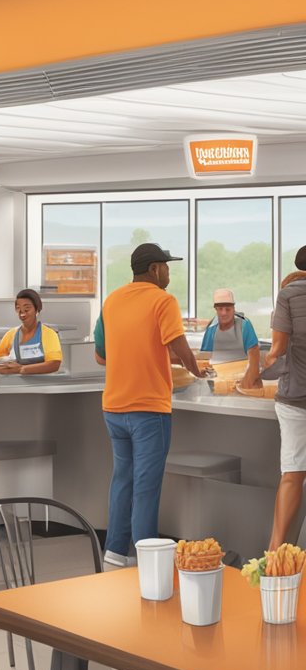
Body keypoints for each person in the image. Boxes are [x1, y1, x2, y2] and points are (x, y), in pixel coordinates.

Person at [93, 243, 212, 567]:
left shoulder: (112, 300)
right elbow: (179, 345)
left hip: (114, 407)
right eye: (167, 266)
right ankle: (147, 561)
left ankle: (115, 554)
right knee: (146, 486)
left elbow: (101, 353)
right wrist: (196, 369)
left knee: (123, 480)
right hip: (148, 409)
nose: (169, 273)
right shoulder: (163, 300)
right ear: (155, 269)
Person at [268, 250, 306, 548]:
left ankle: (275, 554)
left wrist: (256, 369)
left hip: (295, 400)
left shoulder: (288, 294)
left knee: (292, 475)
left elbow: (278, 348)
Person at [0, 289, 63, 376]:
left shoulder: (49, 334)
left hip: (43, 386)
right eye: (18, 308)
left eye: (27, 308)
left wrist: (21, 369)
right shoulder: (11, 334)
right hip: (15, 386)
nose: (22, 313)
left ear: (37, 309)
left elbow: (54, 364)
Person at [201, 288, 262, 387]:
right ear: (215, 310)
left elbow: (254, 358)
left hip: (243, 378)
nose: (224, 313)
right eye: (220, 309)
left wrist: (246, 384)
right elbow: (205, 359)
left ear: (234, 308)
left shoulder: (244, 325)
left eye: (228, 309)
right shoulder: (212, 329)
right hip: (218, 382)